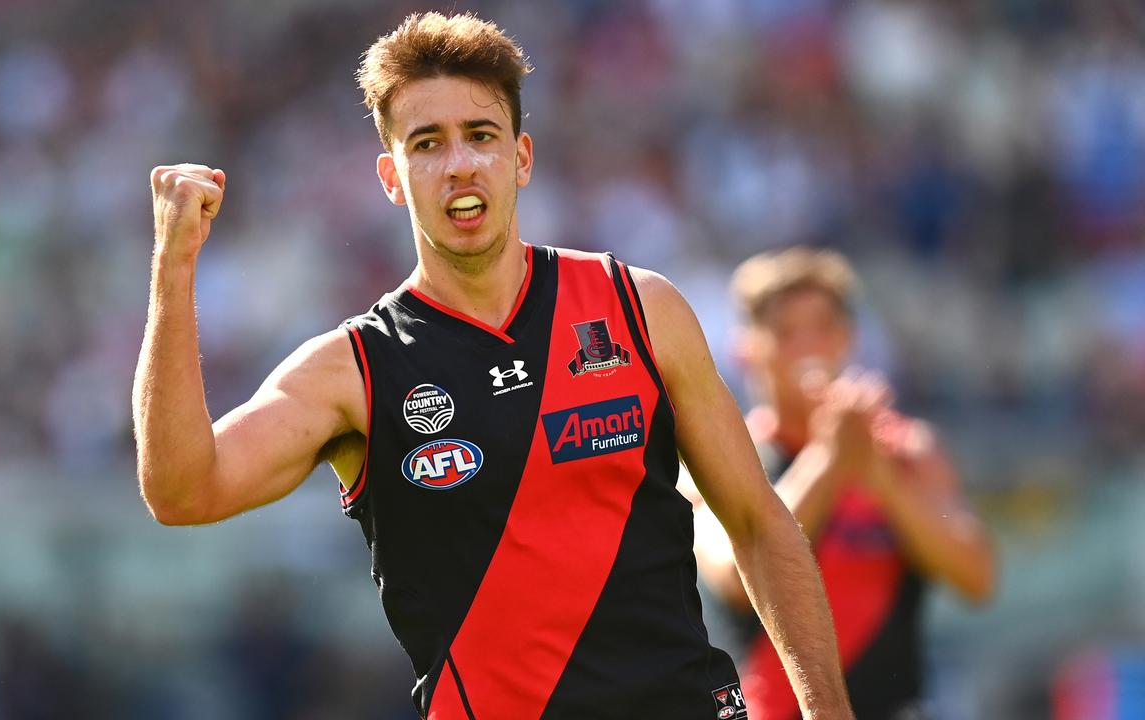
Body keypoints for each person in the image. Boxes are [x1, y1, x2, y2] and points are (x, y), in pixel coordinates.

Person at [133, 12, 854, 719]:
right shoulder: (353, 369)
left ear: (521, 156)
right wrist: (174, 266)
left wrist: (827, 711)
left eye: (480, 136)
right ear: (392, 176)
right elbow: (182, 492)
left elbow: (759, 525)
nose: (459, 165)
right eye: (427, 144)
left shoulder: (639, 308)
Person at [688, 247, 996, 719]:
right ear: (746, 348)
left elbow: (977, 576)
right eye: (785, 331)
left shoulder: (905, 448)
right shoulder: (721, 455)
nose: (808, 346)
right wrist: (830, 461)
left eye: (823, 326)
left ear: (847, 337)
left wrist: (880, 477)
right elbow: (731, 574)